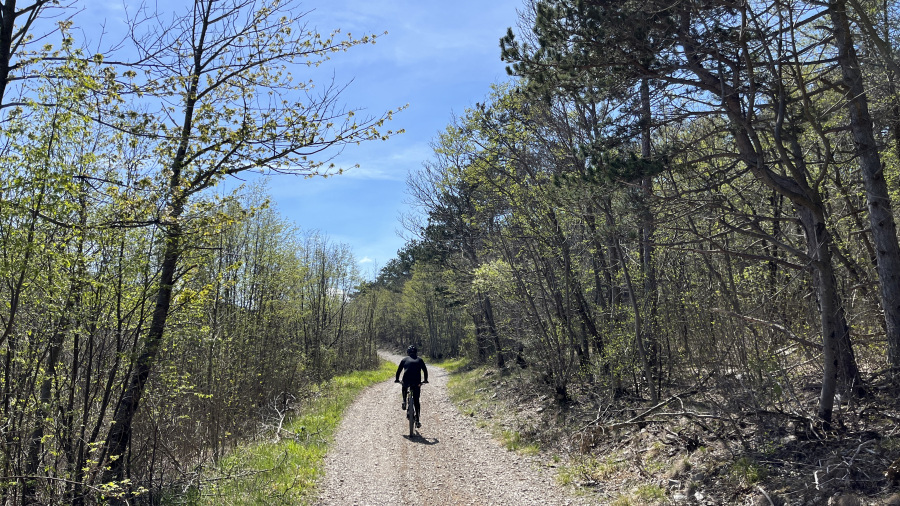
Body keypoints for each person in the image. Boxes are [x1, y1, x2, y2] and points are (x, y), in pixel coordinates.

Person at [395, 345, 428, 428]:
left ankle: (404, 400)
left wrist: (397, 379)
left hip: (407, 380)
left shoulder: (404, 359)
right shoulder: (420, 360)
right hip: (417, 382)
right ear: (416, 352)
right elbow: (425, 371)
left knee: (404, 385)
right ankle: (417, 420)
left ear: (408, 352)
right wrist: (425, 380)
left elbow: (399, 371)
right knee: (416, 401)